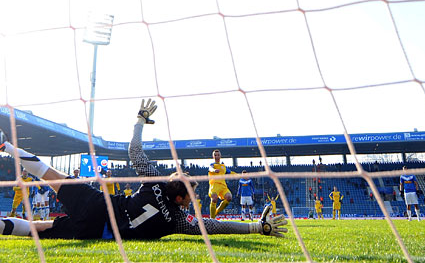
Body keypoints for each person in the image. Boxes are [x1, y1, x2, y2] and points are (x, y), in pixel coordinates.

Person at [0, 99, 288, 239]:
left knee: (50, 174)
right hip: (99, 231)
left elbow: (133, 151)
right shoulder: (176, 221)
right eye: (190, 198)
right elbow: (212, 226)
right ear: (180, 200)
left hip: (99, 203)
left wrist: (140, 121)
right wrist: (254, 228)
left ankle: (6, 147)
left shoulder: (156, 181)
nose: (191, 202)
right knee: (39, 229)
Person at [208, 149, 237, 218]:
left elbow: (230, 172)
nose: (217, 156)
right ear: (213, 156)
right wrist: (214, 170)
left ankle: (216, 212)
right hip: (214, 185)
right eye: (215, 155)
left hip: (223, 186)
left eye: (218, 155)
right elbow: (210, 168)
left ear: (220, 156)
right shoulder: (212, 165)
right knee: (214, 199)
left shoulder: (223, 166)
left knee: (229, 197)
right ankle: (212, 219)